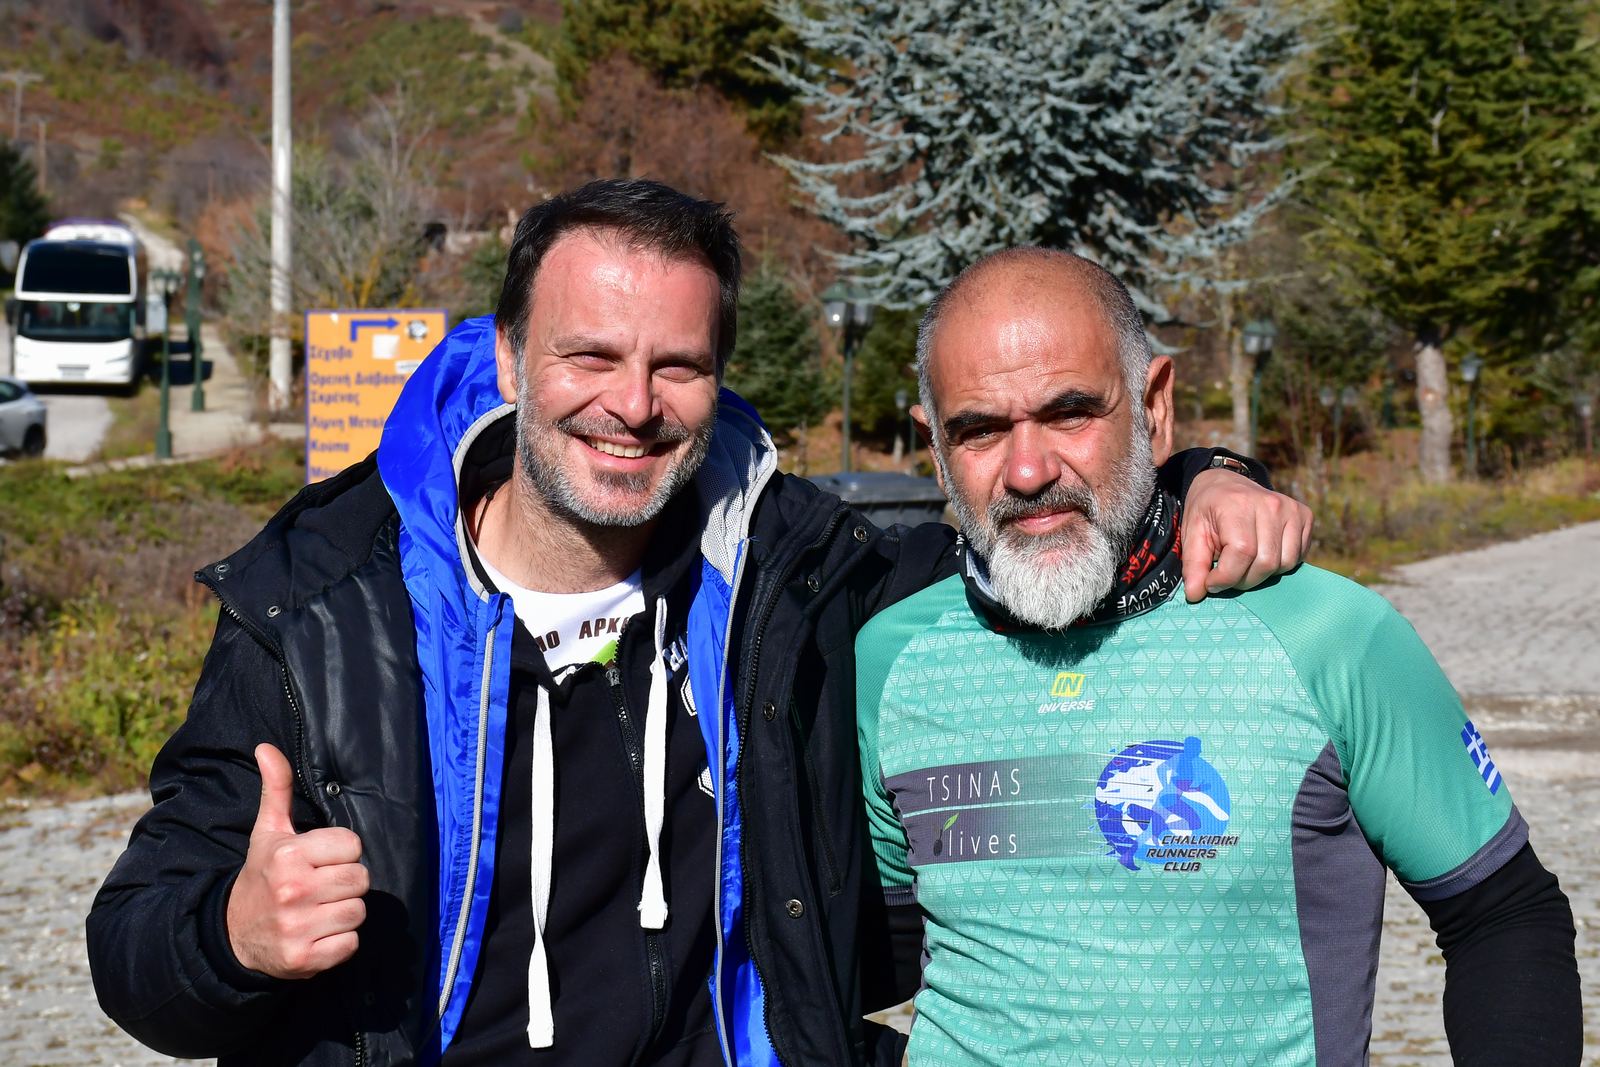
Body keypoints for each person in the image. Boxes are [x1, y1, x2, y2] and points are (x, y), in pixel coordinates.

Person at [87, 180, 1310, 1067]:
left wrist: (1200, 473)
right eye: (589, 356)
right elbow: (133, 949)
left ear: (720, 378)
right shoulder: (320, 611)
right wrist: (234, 936)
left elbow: (1036, 516)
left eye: (676, 364)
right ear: (508, 359)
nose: (632, 405)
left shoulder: (797, 582)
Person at [854, 248, 1582, 1065]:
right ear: (935, 445)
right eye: (980, 429)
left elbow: (1502, 915)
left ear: (1154, 405)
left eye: (1071, 413)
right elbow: (847, 955)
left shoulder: (1325, 633)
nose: (1028, 470)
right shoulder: (890, 659)